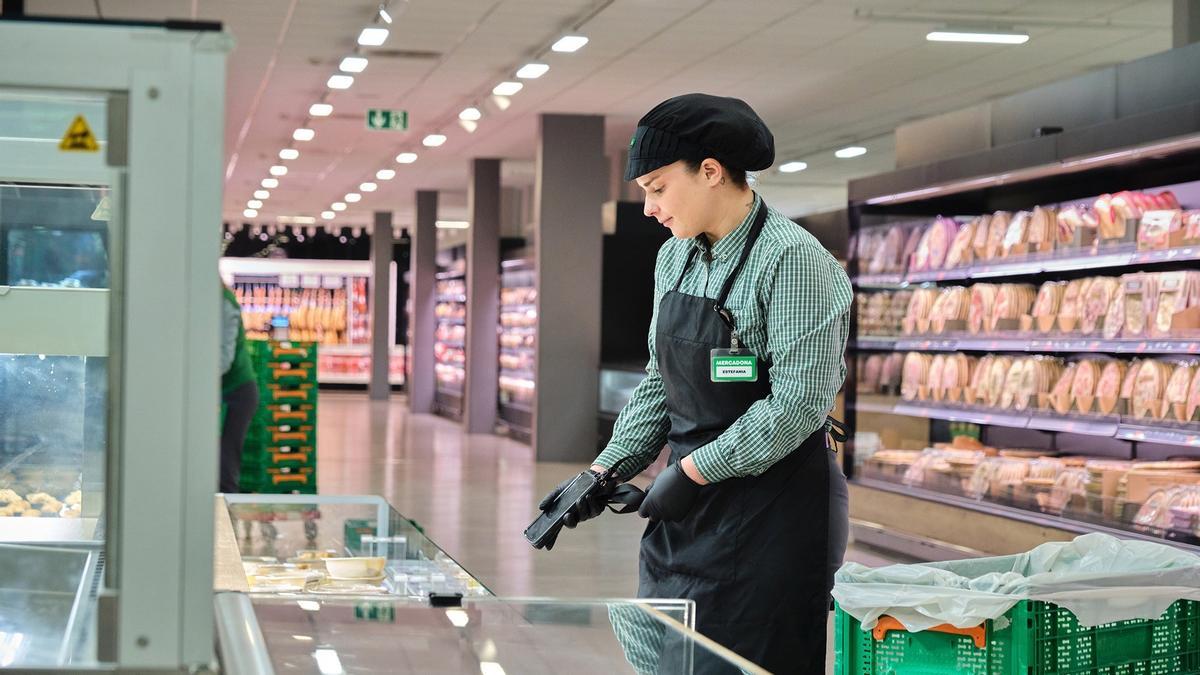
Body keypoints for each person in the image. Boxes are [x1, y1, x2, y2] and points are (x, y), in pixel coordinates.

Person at [537, 93, 852, 673]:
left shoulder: (794, 261)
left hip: (772, 517)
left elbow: (799, 404)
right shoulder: (673, 258)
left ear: (710, 171)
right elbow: (661, 379)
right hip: (687, 515)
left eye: (658, 187)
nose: (649, 208)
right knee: (665, 656)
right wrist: (603, 471)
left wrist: (690, 472)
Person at [220, 280, 258, 493]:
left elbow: (223, 359)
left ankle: (226, 508)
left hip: (237, 393)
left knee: (225, 462)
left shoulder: (225, 304)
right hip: (224, 392)